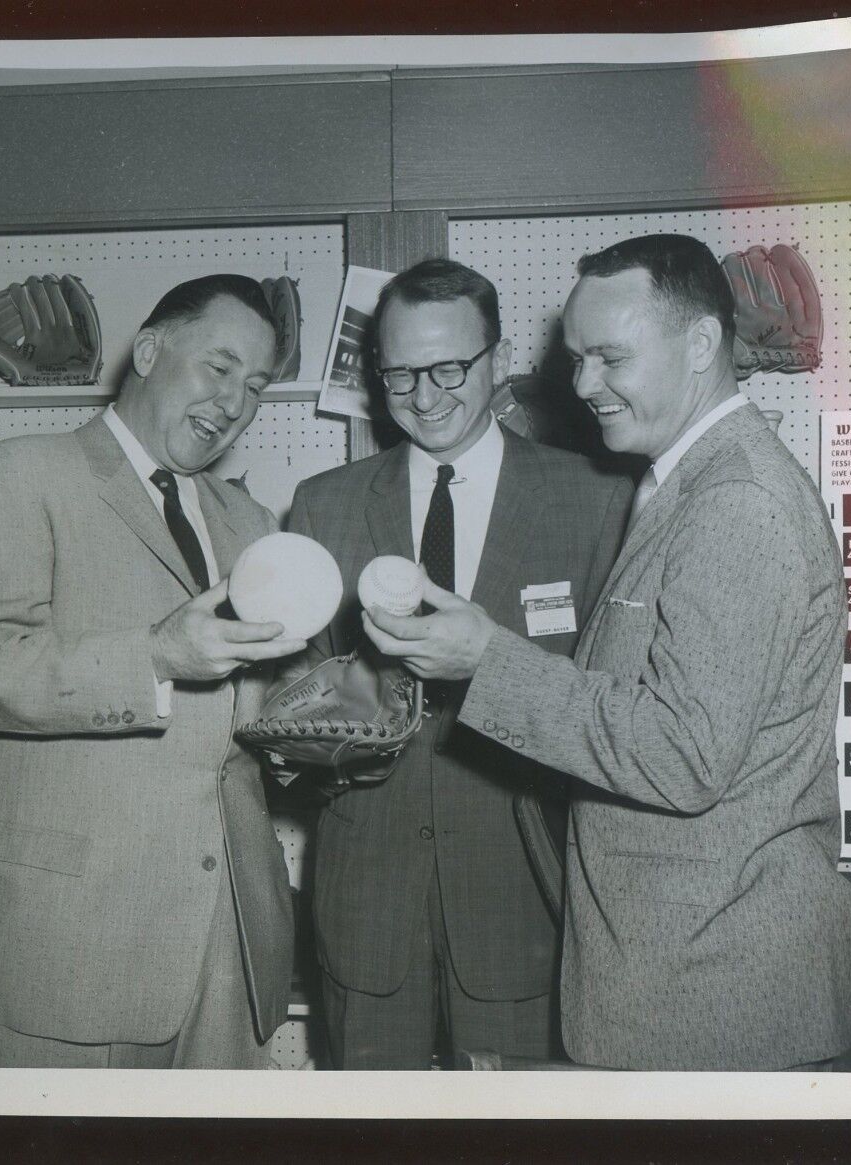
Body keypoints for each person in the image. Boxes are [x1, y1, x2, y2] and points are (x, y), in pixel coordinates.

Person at [364, 234, 851, 1071]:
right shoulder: (683, 481)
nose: (583, 384)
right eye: (576, 358)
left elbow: (682, 753)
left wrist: (486, 658)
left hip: (716, 993)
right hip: (686, 979)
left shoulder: (736, 501)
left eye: (609, 357)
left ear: (702, 344)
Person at [0, 274, 304, 1068]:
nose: (236, 401)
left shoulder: (250, 519)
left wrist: (317, 715)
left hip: (227, 942)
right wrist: (157, 657)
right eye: (220, 367)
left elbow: (251, 715)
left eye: (258, 384)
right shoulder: (17, 473)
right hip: (68, 943)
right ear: (149, 350)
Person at [284, 259, 632, 1069]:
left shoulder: (595, 498)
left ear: (500, 358)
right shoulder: (323, 502)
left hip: (524, 899)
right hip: (368, 898)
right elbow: (297, 695)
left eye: (449, 368)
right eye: (401, 372)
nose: (425, 395)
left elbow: (612, 701)